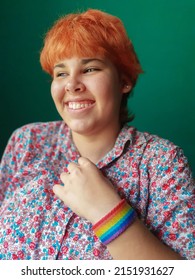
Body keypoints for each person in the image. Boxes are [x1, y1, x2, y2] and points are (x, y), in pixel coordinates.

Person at [0, 9, 194, 260]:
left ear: (124, 81)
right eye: (61, 73)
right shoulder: (26, 141)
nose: (71, 84)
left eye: (90, 69)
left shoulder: (162, 163)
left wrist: (107, 212)